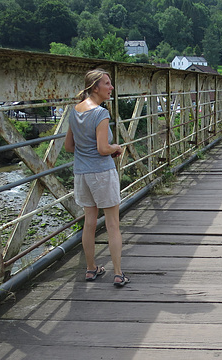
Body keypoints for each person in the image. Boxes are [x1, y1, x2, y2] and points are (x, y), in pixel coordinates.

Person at [64, 68, 129, 287]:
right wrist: (116, 147)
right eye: (107, 84)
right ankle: (118, 273)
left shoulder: (75, 111)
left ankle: (91, 269)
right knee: (112, 224)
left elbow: (68, 146)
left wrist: (86, 152)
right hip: (102, 173)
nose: (111, 87)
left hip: (82, 174)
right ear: (95, 87)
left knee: (89, 223)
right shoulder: (100, 113)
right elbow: (103, 148)